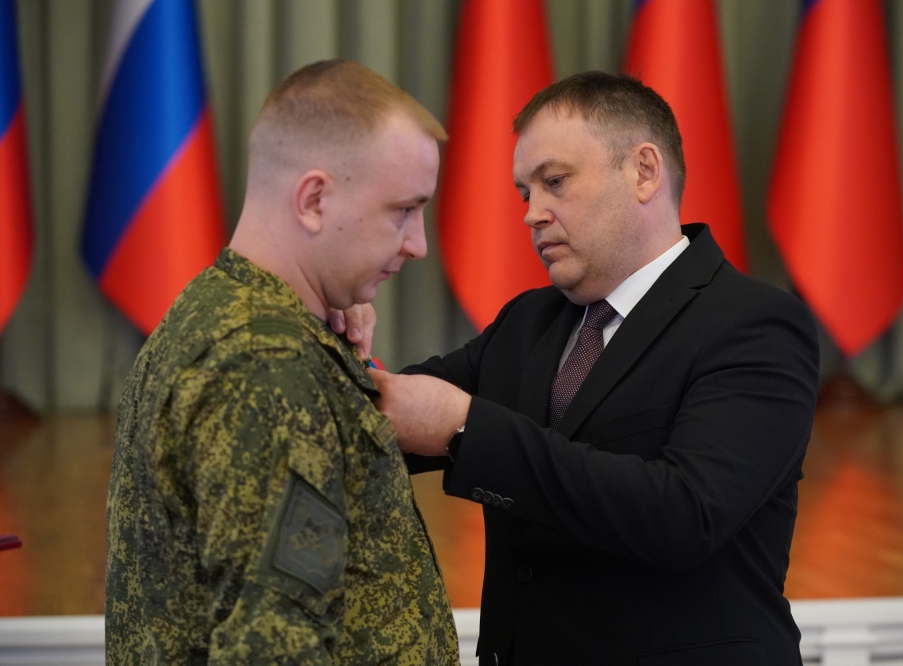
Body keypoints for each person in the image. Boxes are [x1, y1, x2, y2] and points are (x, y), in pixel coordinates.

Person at [370, 72, 820, 665]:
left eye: (554, 182)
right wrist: (335, 324)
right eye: (525, 194)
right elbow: (390, 415)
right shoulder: (527, 322)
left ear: (644, 172)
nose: (532, 214)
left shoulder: (755, 325)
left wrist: (466, 427)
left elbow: (686, 515)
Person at [105, 60, 459, 665]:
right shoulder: (266, 364)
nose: (417, 244)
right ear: (314, 199)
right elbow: (271, 647)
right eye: (403, 209)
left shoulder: (225, 310)